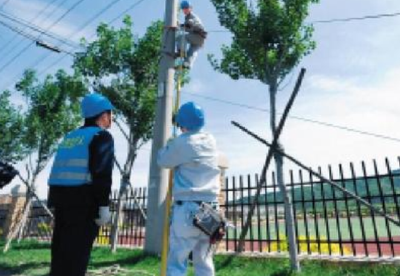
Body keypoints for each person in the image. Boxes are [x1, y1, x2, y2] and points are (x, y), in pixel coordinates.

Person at [47, 93, 115, 276]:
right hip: (84, 205)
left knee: (60, 254)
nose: (111, 118)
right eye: (110, 113)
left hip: (61, 203)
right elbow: (101, 173)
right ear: (103, 115)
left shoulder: (70, 137)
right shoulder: (101, 136)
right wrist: (103, 205)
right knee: (77, 257)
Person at [157, 102, 221, 276]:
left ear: (183, 124)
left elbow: (163, 161)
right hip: (210, 209)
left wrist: (170, 144)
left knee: (177, 261)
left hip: (187, 208)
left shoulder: (182, 142)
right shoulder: (210, 140)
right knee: (204, 261)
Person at [177, 0, 207, 69]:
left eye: (187, 8)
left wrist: (180, 26)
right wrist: (180, 26)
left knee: (181, 37)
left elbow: (190, 24)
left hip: (198, 35)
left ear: (190, 8)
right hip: (200, 40)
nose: (185, 10)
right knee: (191, 51)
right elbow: (187, 27)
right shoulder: (188, 17)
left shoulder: (191, 16)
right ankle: (187, 64)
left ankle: (181, 51)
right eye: (184, 8)